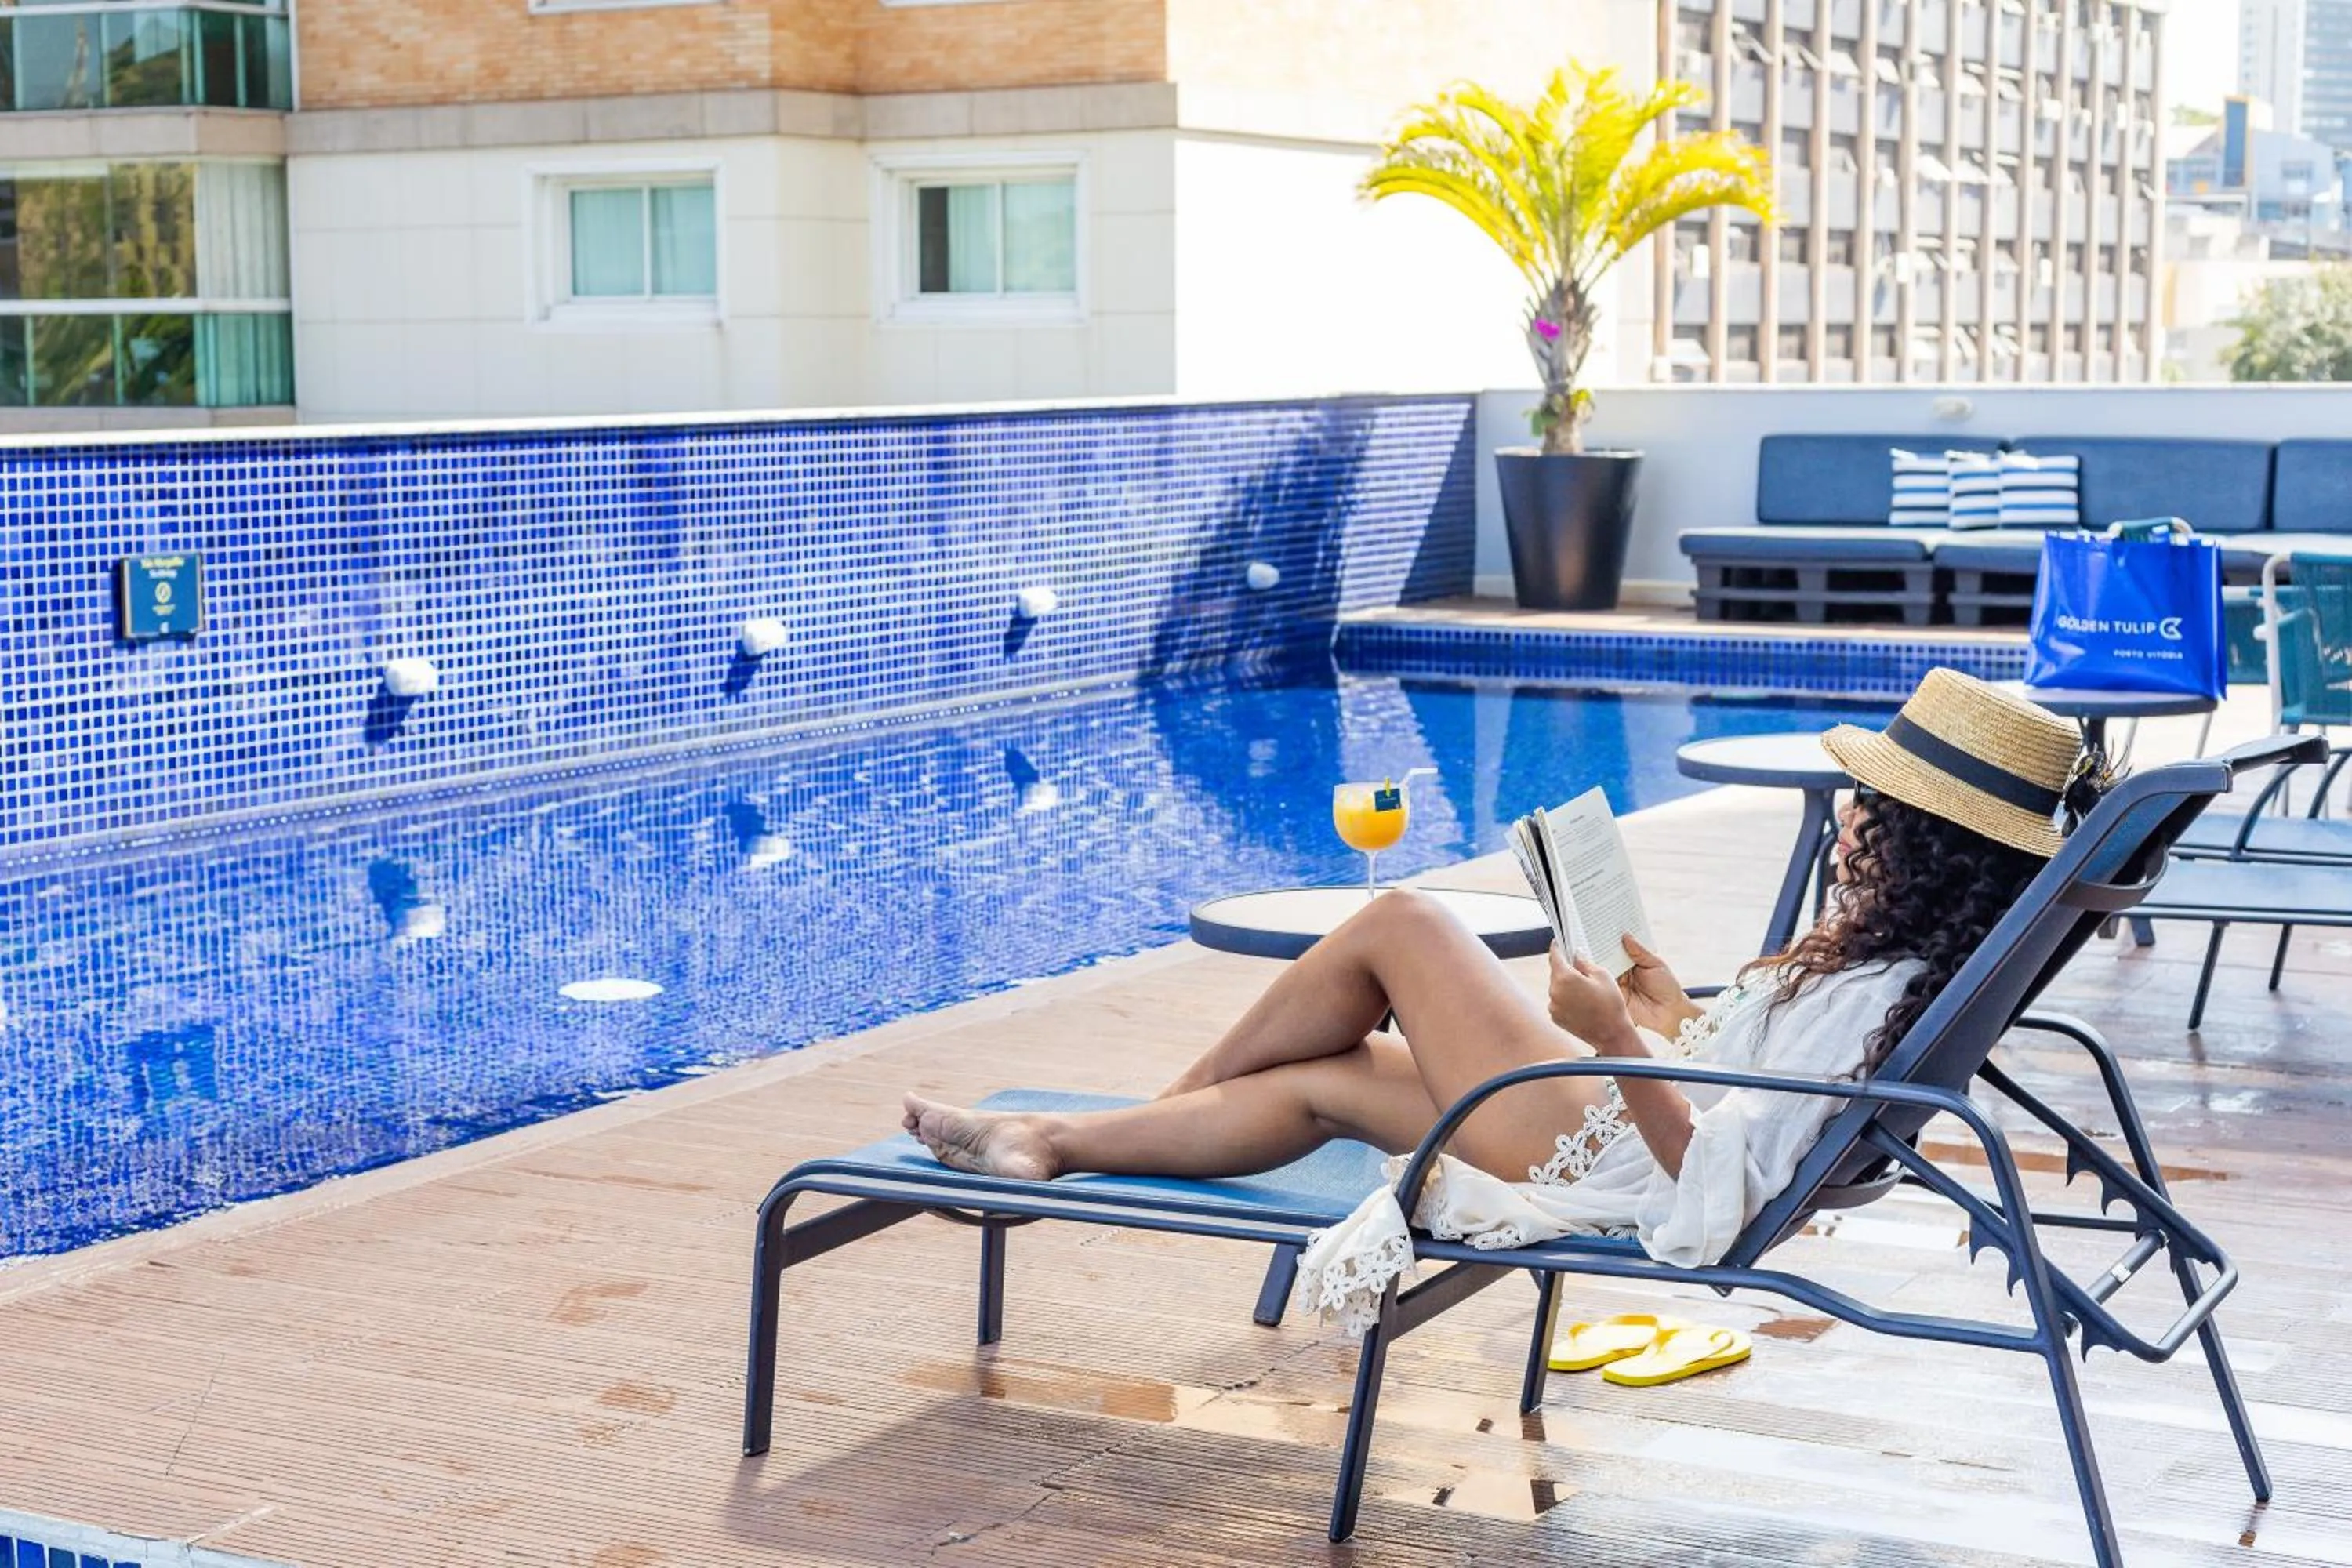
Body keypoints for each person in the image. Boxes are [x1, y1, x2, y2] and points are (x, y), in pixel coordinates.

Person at [901, 669, 2107, 1327]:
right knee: (1324, 1083)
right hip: (1626, 1117)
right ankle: (1051, 1144)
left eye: (1873, 808)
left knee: (1403, 922)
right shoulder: (1895, 973)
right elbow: (1764, 1097)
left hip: (1611, 1151)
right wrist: (1665, 1013)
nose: (1851, 816)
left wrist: (1615, 1040)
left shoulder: (1881, 983)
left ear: (1925, 844)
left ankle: (1119, 1124)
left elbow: (1713, 1186)